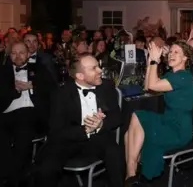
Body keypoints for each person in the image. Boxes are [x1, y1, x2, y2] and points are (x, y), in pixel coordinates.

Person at [33, 53, 124, 187]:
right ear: (80, 76)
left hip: (98, 137)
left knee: (115, 154)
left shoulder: (106, 86)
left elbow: (117, 117)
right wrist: (85, 129)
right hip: (69, 139)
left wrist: (101, 124)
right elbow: (56, 130)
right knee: (46, 167)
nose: (100, 71)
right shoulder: (61, 93)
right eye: (94, 68)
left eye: (98, 66)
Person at [124, 41, 193, 186]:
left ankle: (130, 174)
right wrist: (150, 60)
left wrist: (154, 61)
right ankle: (133, 175)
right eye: (170, 52)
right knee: (128, 134)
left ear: (185, 58)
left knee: (137, 116)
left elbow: (152, 85)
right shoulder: (172, 75)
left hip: (178, 128)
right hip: (168, 121)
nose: (171, 55)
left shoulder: (183, 77)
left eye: (176, 52)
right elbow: (147, 87)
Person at [0, 42, 56, 186]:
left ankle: (14, 179)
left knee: (23, 131)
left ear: (28, 54)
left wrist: (33, 86)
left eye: (21, 52)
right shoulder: (3, 72)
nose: (18, 56)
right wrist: (15, 91)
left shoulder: (40, 69)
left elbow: (52, 90)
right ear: (9, 55)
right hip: (6, 113)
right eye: (14, 53)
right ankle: (11, 173)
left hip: (31, 113)